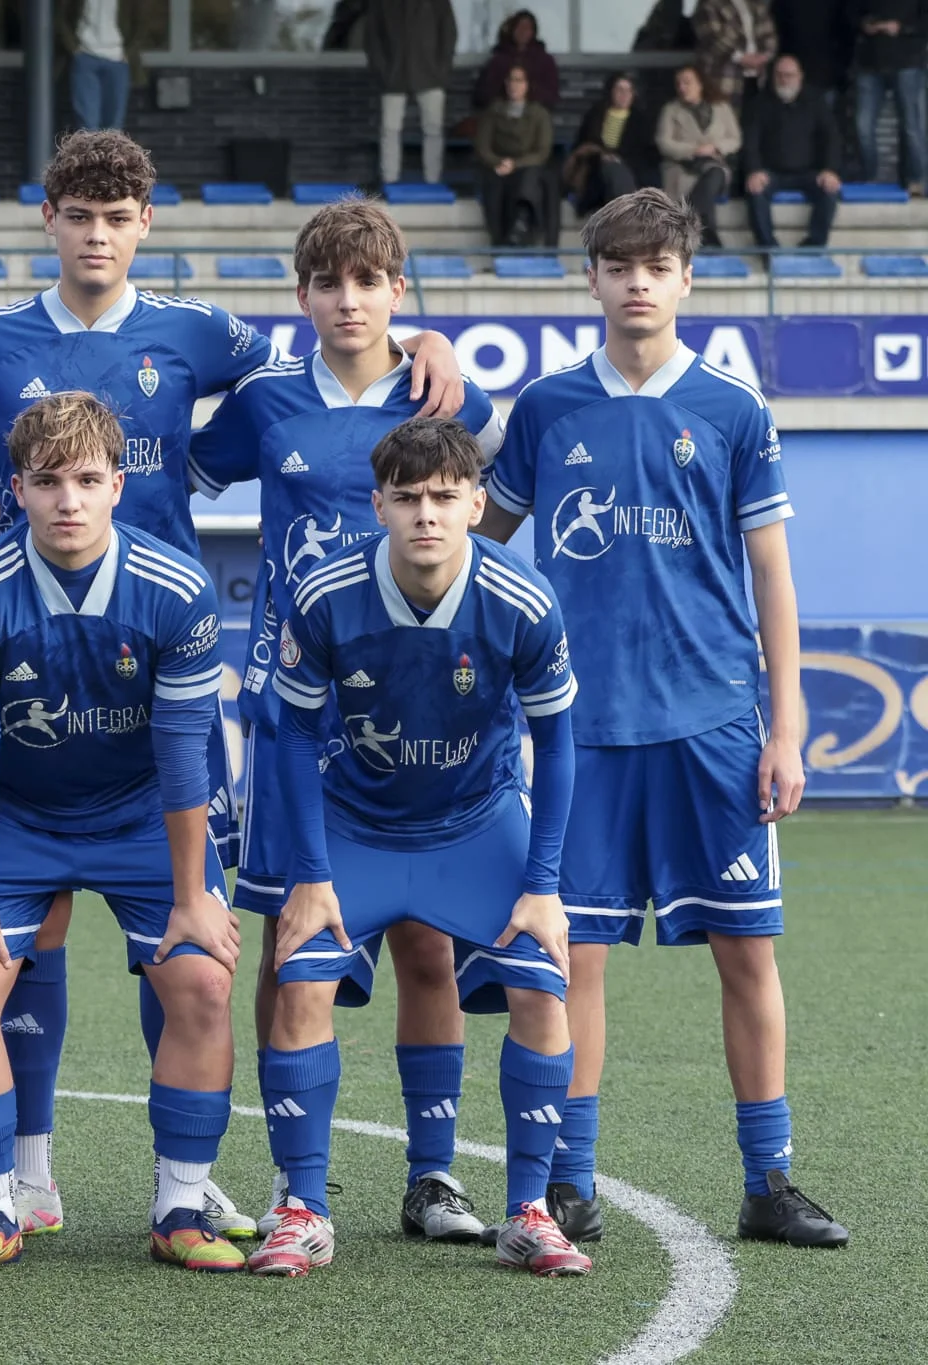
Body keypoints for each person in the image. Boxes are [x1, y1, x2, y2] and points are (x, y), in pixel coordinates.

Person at [0, 129, 465, 1237]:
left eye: (113, 215)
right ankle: (23, 1175)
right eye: (73, 214)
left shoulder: (193, 334)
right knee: (14, 947)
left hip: (157, 660)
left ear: (144, 224)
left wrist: (425, 339)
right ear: (47, 220)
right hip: (30, 640)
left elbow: (319, 360)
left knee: (178, 946)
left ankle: (180, 1182)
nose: (93, 234)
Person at [479, 187, 849, 1251]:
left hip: (713, 727)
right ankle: (571, 1181)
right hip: (578, 736)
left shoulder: (733, 410)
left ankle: (767, 1179)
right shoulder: (545, 411)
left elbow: (770, 573)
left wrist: (784, 727)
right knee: (573, 960)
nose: (636, 281)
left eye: (656, 264)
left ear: (686, 280)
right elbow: (477, 540)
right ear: (588, 279)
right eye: (617, 263)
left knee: (745, 952)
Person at [187, 198, 502, 1245]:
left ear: (394, 293)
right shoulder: (267, 401)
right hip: (289, 716)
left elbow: (514, 471)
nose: (348, 300)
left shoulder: (437, 393)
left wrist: (443, 349)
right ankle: (296, 1190)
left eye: (368, 283)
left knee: (424, 942)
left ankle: (431, 1177)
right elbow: (158, 485)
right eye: (329, 283)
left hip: (419, 715)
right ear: (302, 296)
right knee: (288, 944)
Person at [251, 416, 586, 1279]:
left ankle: (528, 1211)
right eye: (406, 499)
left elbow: (560, 742)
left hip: (476, 823)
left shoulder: (523, 598)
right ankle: (302, 1208)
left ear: (478, 503)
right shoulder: (326, 592)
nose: (426, 516)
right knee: (300, 973)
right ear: (378, 506)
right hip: (354, 823)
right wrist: (311, 876)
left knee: (544, 979)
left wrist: (542, 884)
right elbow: (289, 733)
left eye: (444, 497)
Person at [0, 391, 240, 1275]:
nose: (68, 499)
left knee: (204, 980)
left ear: (120, 483)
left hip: (141, 815)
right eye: (49, 481)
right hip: (19, 817)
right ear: (15, 488)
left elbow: (184, 758)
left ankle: (180, 1202)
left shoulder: (175, 588)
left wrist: (190, 901)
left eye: (88, 479)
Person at [745, 54, 844, 247]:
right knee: (755, 193)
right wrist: (754, 170)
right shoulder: (759, 104)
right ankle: (769, 249)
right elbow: (750, 142)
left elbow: (832, 137)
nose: (784, 80)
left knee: (830, 191)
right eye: (779, 75)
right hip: (770, 173)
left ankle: (814, 246)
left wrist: (830, 169)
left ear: (800, 76)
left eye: (789, 75)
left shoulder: (816, 101)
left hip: (809, 172)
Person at [365, 0, 456, 184]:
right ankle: (389, 179)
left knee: (433, 128)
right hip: (393, 75)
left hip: (430, 74)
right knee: (390, 129)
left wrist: (441, 69)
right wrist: (383, 71)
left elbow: (448, 32)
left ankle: (433, 179)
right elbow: (372, 37)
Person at [657, 65, 741, 247]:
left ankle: (696, 224)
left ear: (700, 84)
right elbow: (664, 142)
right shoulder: (671, 110)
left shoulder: (722, 107)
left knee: (714, 174)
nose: (682, 87)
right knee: (702, 185)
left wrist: (715, 147)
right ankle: (708, 236)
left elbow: (735, 139)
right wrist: (694, 150)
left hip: (714, 164)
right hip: (683, 168)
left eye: (687, 82)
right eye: (678, 83)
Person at [476, 66, 560, 247]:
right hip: (499, 166)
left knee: (530, 179)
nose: (514, 85)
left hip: (528, 166)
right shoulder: (494, 111)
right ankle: (499, 239)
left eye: (519, 80)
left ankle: (520, 227)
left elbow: (542, 151)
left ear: (527, 85)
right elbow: (483, 147)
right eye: (511, 80)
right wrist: (498, 162)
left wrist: (515, 164)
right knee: (493, 184)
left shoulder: (539, 113)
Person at [850, 0, 927, 193]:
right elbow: (848, 12)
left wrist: (901, 27)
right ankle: (869, 178)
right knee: (862, 125)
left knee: (911, 125)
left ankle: (917, 180)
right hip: (870, 62)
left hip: (908, 62)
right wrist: (863, 23)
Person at [565, 72, 657, 216]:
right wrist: (602, 155)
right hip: (595, 169)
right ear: (611, 92)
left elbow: (647, 154)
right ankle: (625, 212)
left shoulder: (641, 120)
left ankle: (623, 212)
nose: (623, 94)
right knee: (609, 168)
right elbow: (582, 143)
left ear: (633, 94)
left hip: (631, 170)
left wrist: (618, 160)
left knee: (616, 170)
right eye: (619, 89)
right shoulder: (596, 114)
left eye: (628, 90)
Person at [61, 0, 132, 131]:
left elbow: (142, 22)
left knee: (114, 126)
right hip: (86, 55)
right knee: (87, 125)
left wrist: (128, 52)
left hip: (116, 58)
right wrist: (73, 48)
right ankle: (89, 152)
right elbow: (60, 17)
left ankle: (109, 152)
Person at [475, 10, 561, 110]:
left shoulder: (545, 61)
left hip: (532, 115)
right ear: (512, 30)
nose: (523, 31)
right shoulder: (498, 60)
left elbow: (551, 96)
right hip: (502, 113)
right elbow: (482, 94)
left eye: (527, 28)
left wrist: (528, 94)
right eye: (519, 27)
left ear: (533, 32)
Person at [692, 0, 777, 101]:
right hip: (724, 76)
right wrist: (741, 58)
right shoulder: (709, 3)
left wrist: (764, 57)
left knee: (754, 113)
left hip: (758, 77)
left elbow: (769, 34)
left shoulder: (756, 3)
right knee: (725, 113)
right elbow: (712, 37)